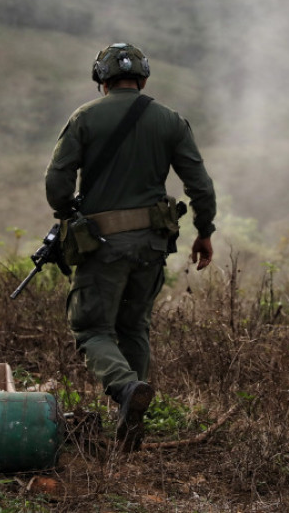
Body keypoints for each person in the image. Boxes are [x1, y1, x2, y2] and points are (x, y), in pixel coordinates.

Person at [45, 42, 217, 451]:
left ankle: (125, 390)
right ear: (142, 79)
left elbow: (57, 183)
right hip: (152, 246)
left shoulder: (85, 118)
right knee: (134, 326)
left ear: (101, 81)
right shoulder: (171, 121)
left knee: (92, 329)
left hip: (102, 246)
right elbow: (201, 186)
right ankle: (131, 424)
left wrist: (71, 212)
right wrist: (204, 231)